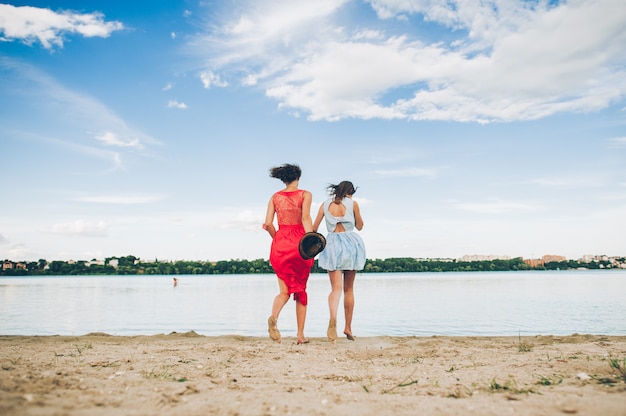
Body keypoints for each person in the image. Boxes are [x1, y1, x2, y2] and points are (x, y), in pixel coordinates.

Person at [263, 163, 315, 344]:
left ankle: (274, 317)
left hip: (280, 243)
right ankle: (300, 335)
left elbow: (268, 223)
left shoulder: (275, 197)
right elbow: (305, 218)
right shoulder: (305, 194)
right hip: (300, 243)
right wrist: (310, 242)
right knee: (301, 290)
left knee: (283, 291)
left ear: (283, 179)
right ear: (298, 177)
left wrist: (277, 238)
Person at [313, 181, 365, 342]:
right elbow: (360, 226)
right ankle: (348, 327)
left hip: (333, 244)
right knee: (348, 289)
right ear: (350, 192)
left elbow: (314, 228)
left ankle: (332, 319)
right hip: (351, 244)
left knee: (336, 289)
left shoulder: (325, 204)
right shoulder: (353, 203)